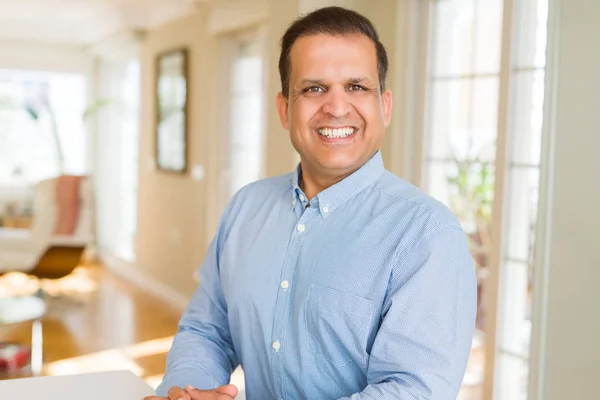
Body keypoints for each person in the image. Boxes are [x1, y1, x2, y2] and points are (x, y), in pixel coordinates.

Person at [145, 6, 477, 400]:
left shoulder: (427, 235)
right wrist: (187, 392)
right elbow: (207, 330)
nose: (336, 107)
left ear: (384, 106)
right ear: (285, 109)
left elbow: (414, 391)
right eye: (314, 88)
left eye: (356, 86)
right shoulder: (246, 208)